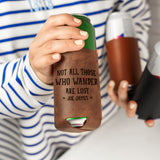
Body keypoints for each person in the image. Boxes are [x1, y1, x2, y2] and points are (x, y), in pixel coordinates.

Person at [0, 0, 151, 159]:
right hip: (26, 146)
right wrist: (31, 76)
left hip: (105, 131)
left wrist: (131, 73)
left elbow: (135, 15)